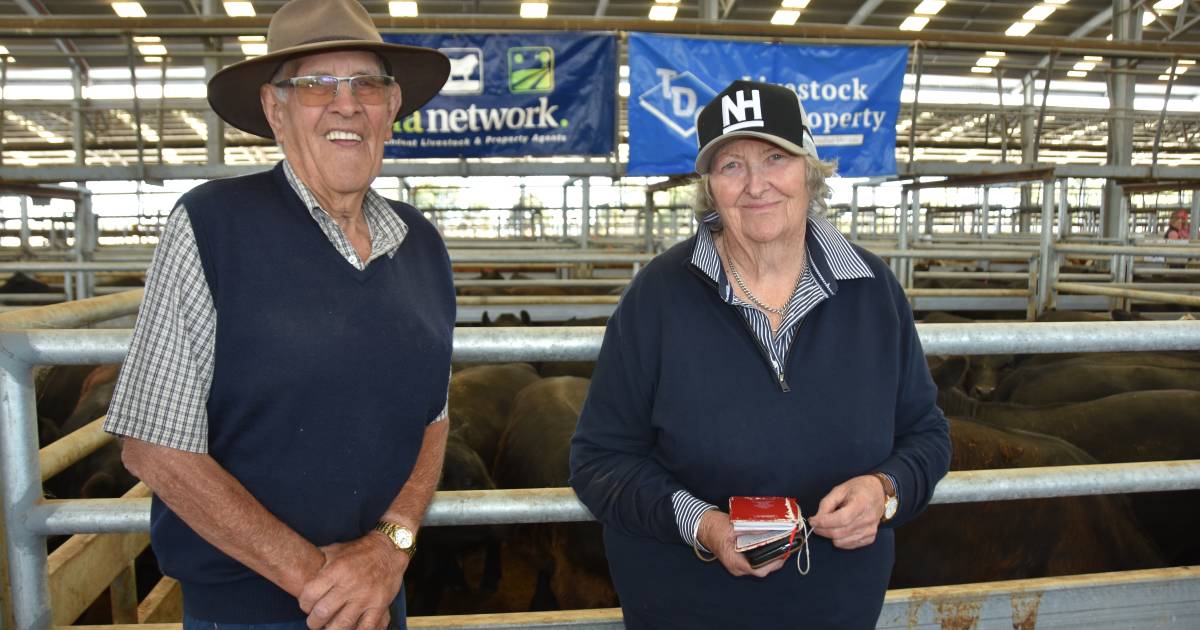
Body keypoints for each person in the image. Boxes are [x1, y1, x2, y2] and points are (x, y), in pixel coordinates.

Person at [103, 1, 453, 628]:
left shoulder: (422, 244)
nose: (346, 104)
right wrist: (320, 581)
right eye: (316, 84)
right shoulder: (211, 226)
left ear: (391, 108)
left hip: (379, 596)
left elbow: (434, 415)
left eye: (367, 85)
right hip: (249, 607)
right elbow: (154, 446)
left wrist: (390, 544)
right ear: (275, 109)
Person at [569, 80, 952, 629]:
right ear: (709, 186)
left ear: (808, 169)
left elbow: (927, 434)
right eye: (731, 166)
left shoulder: (872, 292)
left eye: (776, 157)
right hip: (686, 604)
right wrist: (706, 526)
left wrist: (885, 490)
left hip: (836, 606)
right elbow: (598, 461)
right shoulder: (658, 296)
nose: (756, 185)